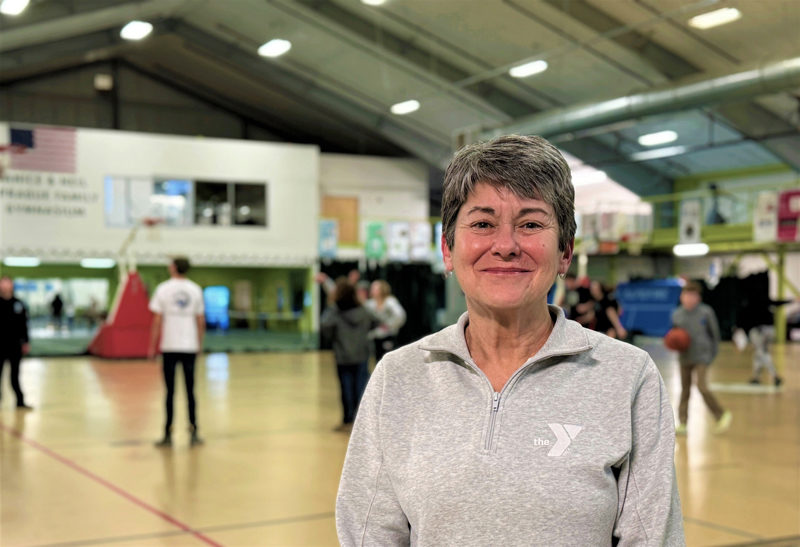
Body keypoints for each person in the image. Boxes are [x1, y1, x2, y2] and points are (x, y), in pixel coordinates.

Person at [337, 135, 684, 545]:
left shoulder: (628, 378)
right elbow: (370, 536)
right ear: (448, 250)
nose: (505, 246)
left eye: (531, 224)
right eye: (483, 224)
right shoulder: (397, 379)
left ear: (565, 251)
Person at [148, 257, 205, 447]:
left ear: (173, 268)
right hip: (189, 346)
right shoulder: (195, 289)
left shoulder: (163, 289)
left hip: (170, 346)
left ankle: (167, 434)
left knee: (170, 392)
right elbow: (200, 321)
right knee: (190, 390)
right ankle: (194, 431)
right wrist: (199, 344)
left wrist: (152, 345)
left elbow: (156, 320)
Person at [671, 281, 731, 436]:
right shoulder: (677, 314)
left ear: (698, 297)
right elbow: (674, 336)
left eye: (693, 296)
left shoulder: (706, 312)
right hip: (685, 357)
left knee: (702, 386)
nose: (689, 299)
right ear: (682, 297)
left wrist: (711, 355)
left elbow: (715, 335)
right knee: (684, 390)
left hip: (702, 357)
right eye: (686, 295)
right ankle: (683, 423)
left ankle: (721, 414)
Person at [321, 277, 377, 433]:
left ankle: (347, 421)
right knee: (361, 389)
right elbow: (377, 321)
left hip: (343, 356)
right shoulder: (364, 311)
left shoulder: (334, 312)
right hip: (361, 354)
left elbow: (325, 327)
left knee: (346, 389)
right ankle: (361, 423)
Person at [0, 276, 33, 410]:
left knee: (15, 375)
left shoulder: (19, 304)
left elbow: (24, 325)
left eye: (8, 284)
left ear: (12, 286)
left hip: (14, 345)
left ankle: (20, 401)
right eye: (3, 284)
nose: (5, 287)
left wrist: (26, 341)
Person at [365, 280, 406, 362]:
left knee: (389, 360)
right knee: (377, 361)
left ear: (382, 290)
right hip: (375, 337)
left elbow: (400, 316)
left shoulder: (390, 301)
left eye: (375, 288)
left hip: (389, 336)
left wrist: (389, 325)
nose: (372, 290)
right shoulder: (370, 304)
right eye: (372, 288)